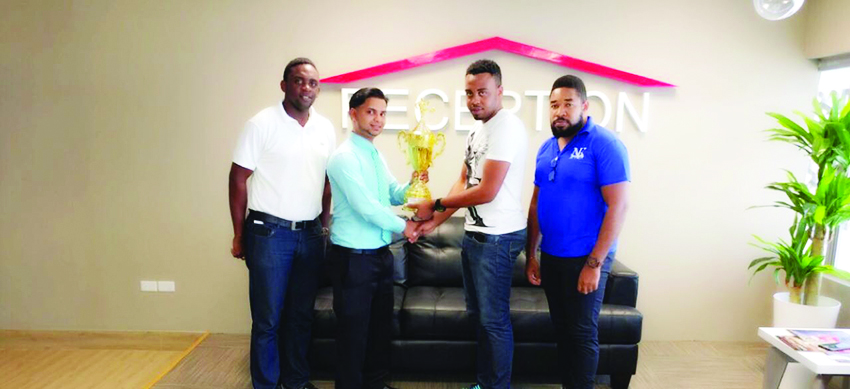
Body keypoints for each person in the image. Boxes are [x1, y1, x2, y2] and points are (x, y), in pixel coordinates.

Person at [407, 59, 528, 389]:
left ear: (500, 92)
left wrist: (435, 205)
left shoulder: (507, 127)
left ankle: (496, 386)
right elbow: (464, 179)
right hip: (475, 235)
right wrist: (434, 221)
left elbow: (487, 191)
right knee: (479, 318)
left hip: (499, 239)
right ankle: (484, 383)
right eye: (470, 93)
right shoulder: (477, 129)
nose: (475, 100)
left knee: (494, 321)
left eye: (483, 93)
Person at [228, 58, 335, 389]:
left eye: (313, 83)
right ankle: (266, 384)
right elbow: (237, 179)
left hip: (310, 234)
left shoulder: (325, 128)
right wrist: (239, 234)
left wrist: (324, 223)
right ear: (284, 85)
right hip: (269, 233)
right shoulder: (261, 124)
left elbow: (328, 181)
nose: (307, 88)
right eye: (300, 81)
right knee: (268, 320)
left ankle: (297, 381)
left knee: (301, 317)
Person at [525, 75, 630, 389]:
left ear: (584, 106)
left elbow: (619, 206)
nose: (560, 111)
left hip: (586, 257)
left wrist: (594, 264)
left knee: (582, 333)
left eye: (568, 104)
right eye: (554, 105)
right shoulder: (546, 148)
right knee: (562, 331)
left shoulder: (605, 144)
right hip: (552, 256)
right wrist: (531, 254)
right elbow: (535, 204)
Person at [326, 87, 422, 389]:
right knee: (353, 335)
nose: (378, 119)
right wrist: (404, 227)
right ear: (353, 114)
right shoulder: (343, 158)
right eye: (371, 112)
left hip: (380, 257)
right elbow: (366, 206)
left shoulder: (374, 153)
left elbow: (392, 193)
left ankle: (376, 385)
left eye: (382, 113)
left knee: (379, 331)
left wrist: (414, 184)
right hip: (353, 260)